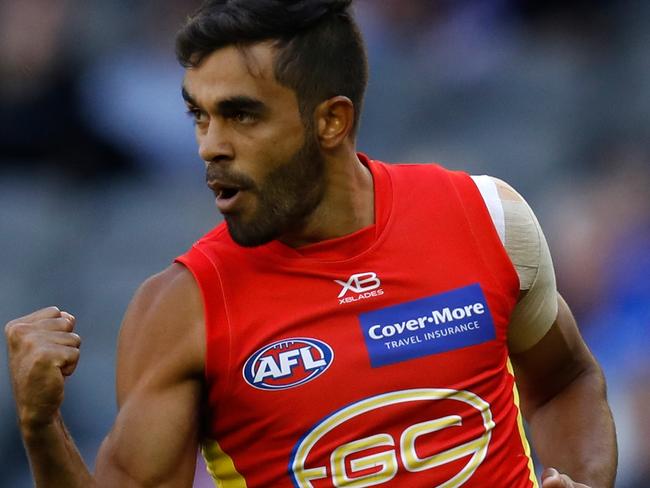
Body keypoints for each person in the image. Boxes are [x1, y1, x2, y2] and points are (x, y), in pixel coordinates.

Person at [5, 1, 617, 486]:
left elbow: (566, 382)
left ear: (332, 120)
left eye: (241, 115)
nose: (209, 146)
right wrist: (40, 426)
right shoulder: (180, 309)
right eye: (200, 115)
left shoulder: (487, 217)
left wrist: (579, 482)